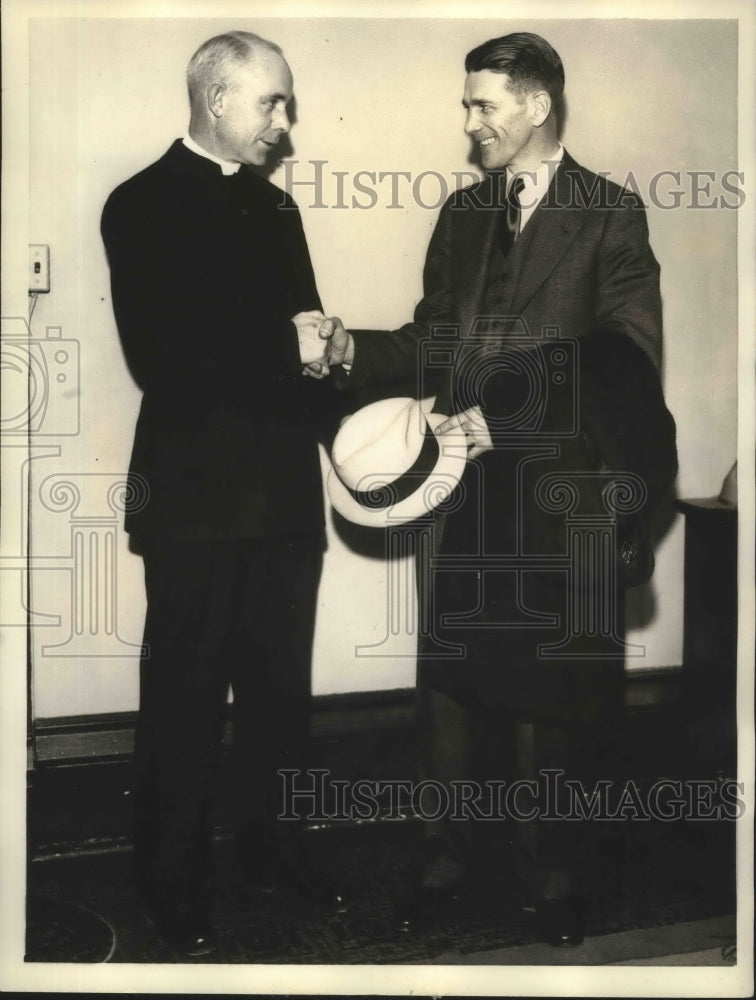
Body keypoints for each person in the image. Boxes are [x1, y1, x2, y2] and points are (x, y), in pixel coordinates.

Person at [321, 32, 677, 947]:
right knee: (449, 684)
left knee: (550, 695)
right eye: (469, 104)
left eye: (484, 104)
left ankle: (550, 878)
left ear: (537, 105)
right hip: (459, 488)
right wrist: (356, 349)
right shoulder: (464, 212)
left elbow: (627, 357)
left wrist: (510, 415)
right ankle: (445, 861)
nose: (470, 120)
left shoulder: (610, 214)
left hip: (560, 489)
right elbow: (435, 339)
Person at [101, 31, 341, 957]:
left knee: (282, 698)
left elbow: (310, 349)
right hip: (197, 502)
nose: (285, 123)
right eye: (272, 103)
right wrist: (290, 350)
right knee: (187, 699)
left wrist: (362, 435)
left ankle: (274, 853)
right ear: (215, 100)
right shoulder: (141, 203)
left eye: (286, 105)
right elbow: (163, 358)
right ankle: (171, 884)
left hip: (283, 496)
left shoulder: (278, 211)